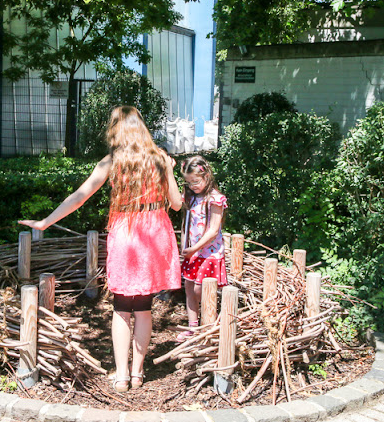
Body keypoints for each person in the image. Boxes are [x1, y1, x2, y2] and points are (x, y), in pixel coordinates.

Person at [19, 106, 182, 392]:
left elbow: (80, 197)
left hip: (126, 233)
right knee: (144, 307)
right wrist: (169, 169)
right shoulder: (159, 161)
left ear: (116, 129)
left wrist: (45, 221)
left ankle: (120, 376)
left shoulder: (111, 162)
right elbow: (177, 204)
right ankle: (137, 374)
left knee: (121, 307)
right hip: (155, 232)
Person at [177, 155, 228, 342]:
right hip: (193, 252)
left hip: (210, 253)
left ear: (206, 176)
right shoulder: (190, 198)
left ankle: (209, 325)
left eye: (196, 181)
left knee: (201, 289)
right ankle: (193, 327)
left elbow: (213, 231)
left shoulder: (216, 199)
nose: (192, 186)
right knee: (189, 287)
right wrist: (186, 246)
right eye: (188, 182)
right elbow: (185, 223)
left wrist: (195, 248)